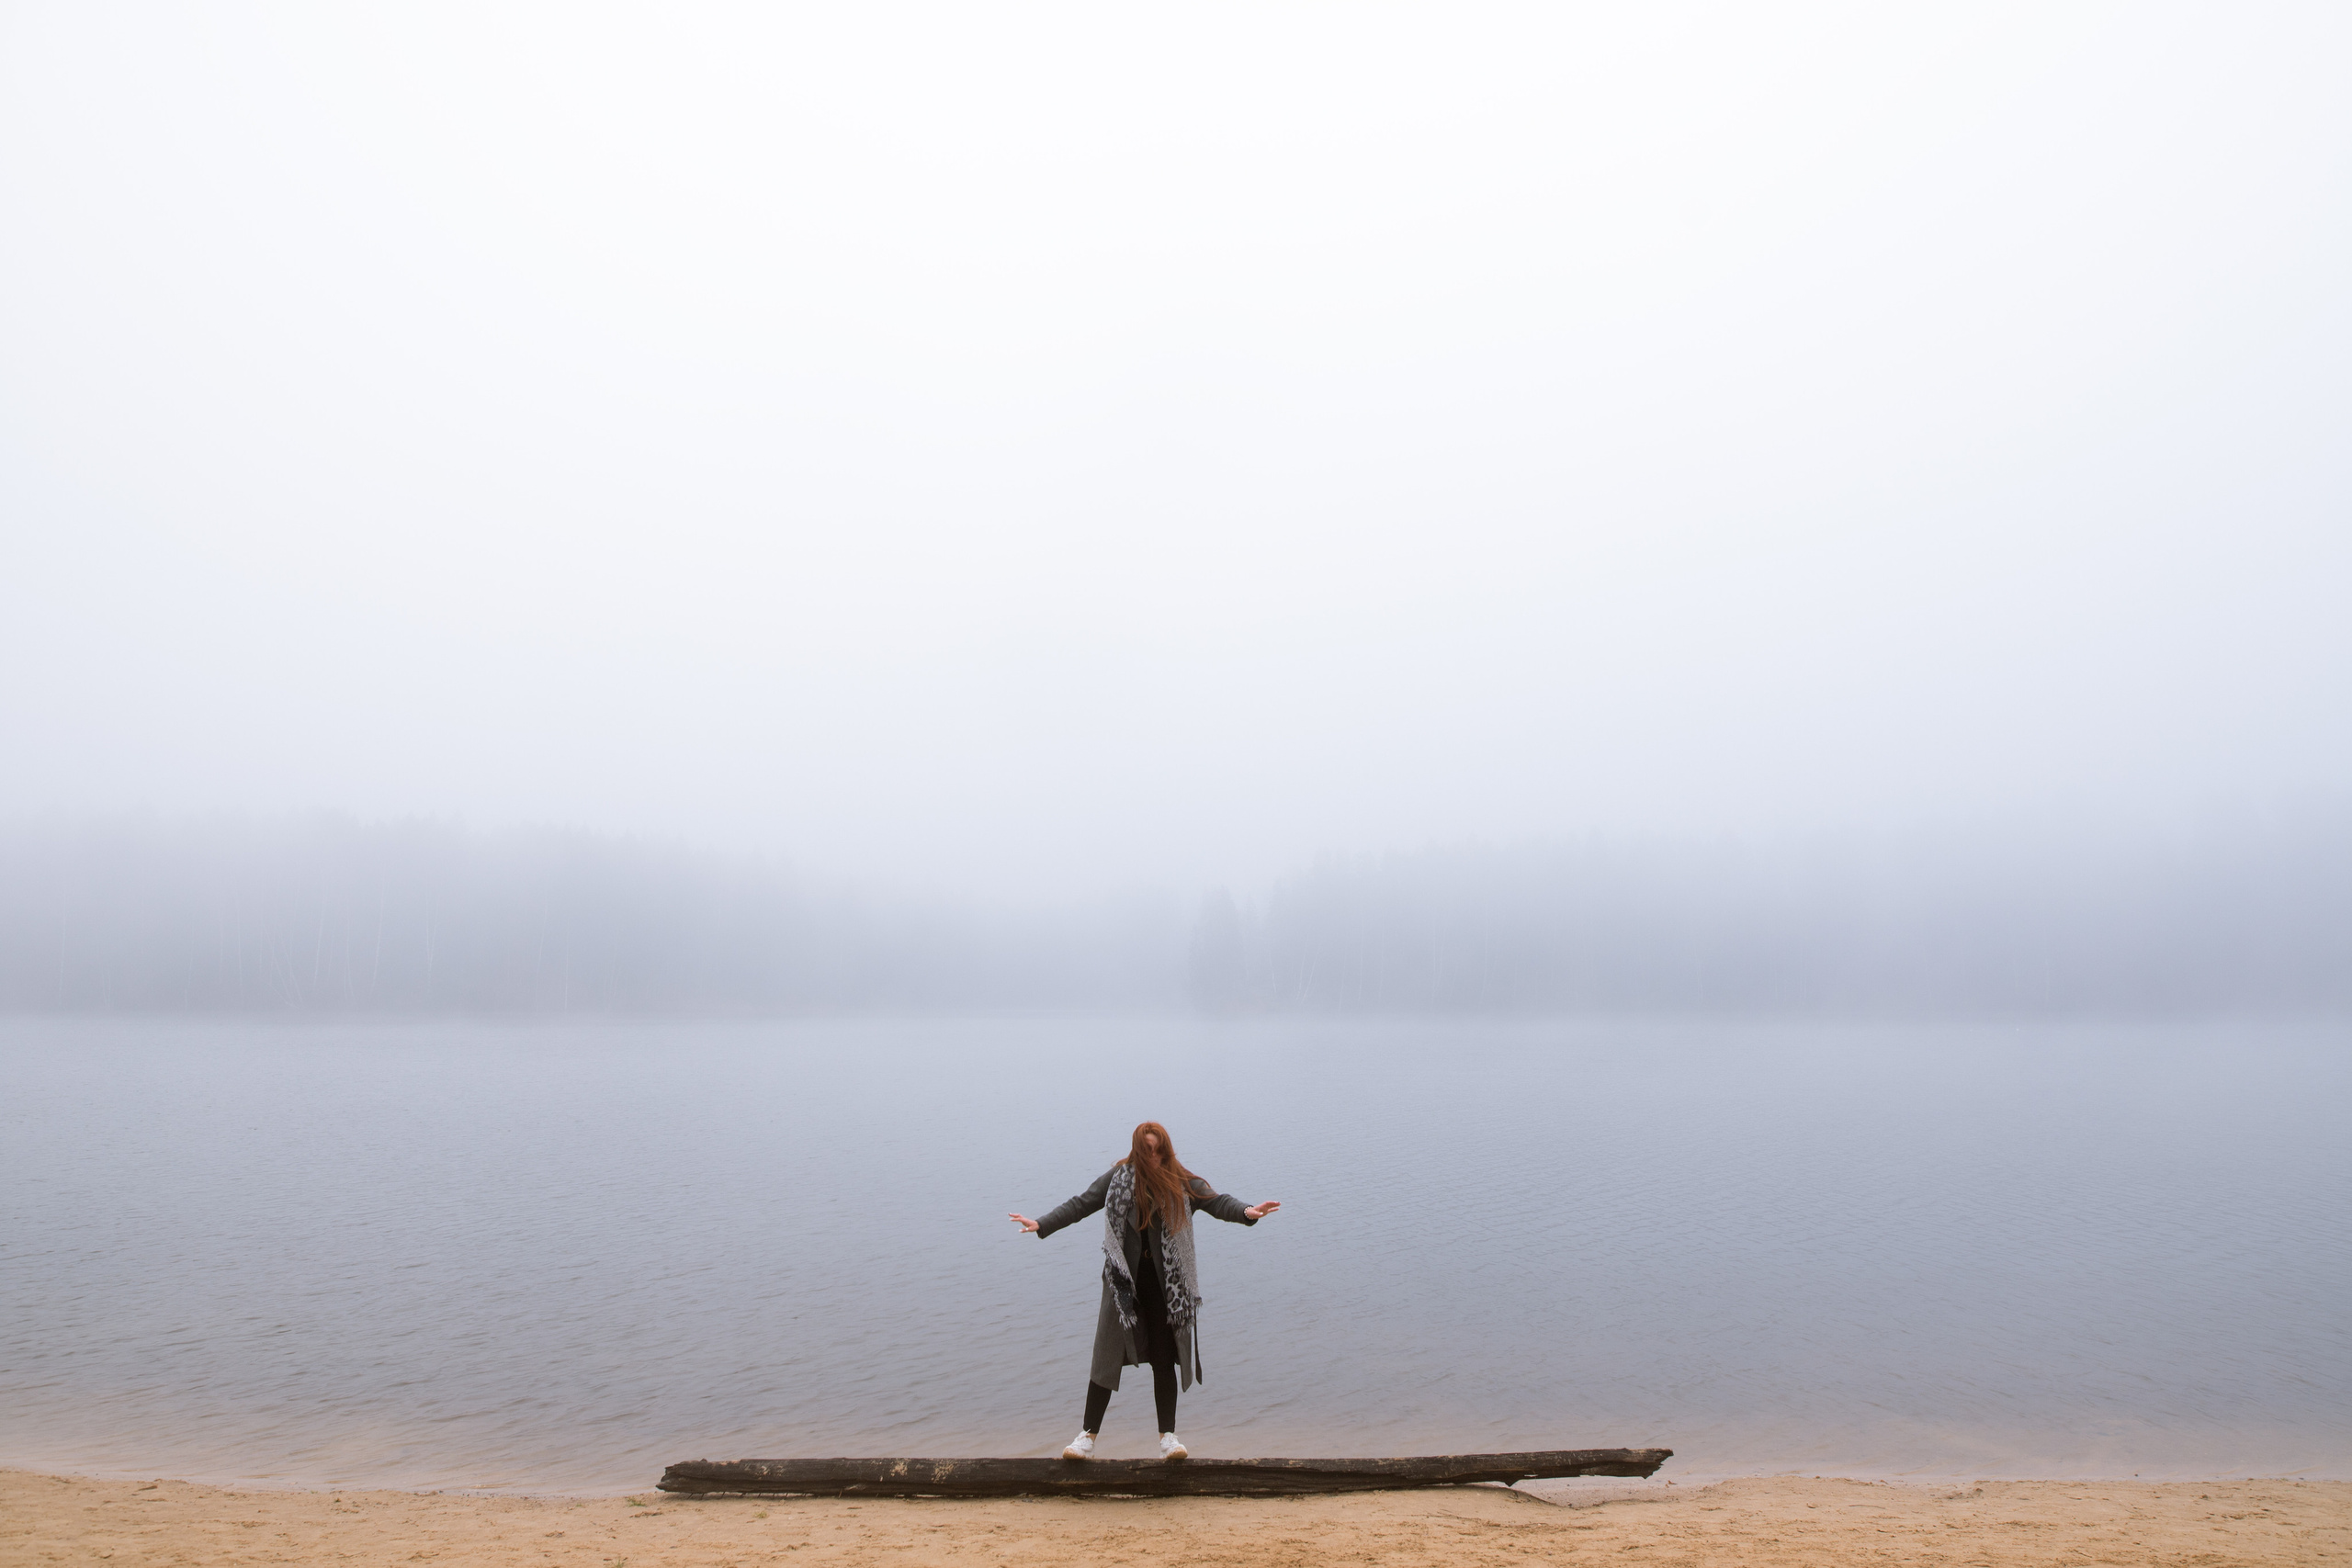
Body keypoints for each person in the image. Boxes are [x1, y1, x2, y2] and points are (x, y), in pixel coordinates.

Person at [1009, 1122, 1280, 1461]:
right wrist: (1042, 1223)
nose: (1154, 1156)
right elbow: (1081, 1204)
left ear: (1166, 1149)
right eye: (1147, 1150)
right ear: (1138, 1150)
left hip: (1168, 1288)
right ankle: (1086, 1438)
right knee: (1105, 1358)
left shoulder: (1180, 1181)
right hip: (1124, 1285)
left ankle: (1168, 1437)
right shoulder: (1119, 1179)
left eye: (1159, 1149)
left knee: (1164, 1359)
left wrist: (1247, 1212)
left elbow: (1217, 1201)